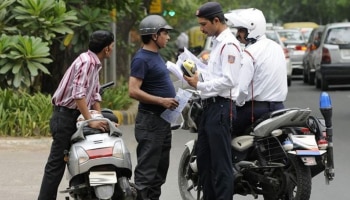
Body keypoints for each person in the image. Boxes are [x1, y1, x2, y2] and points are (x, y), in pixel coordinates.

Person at [37, 30, 115, 200]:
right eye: (112, 45)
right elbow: (78, 94)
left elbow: (94, 94)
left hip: (76, 116)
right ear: (107, 48)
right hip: (65, 117)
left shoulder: (94, 63)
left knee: (91, 156)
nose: (113, 48)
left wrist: (99, 118)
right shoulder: (86, 62)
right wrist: (91, 121)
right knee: (56, 165)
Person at [183, 2, 242, 200]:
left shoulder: (229, 45)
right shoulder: (217, 43)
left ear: (216, 20)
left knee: (221, 165)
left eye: (203, 24)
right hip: (209, 108)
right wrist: (197, 74)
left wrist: (199, 85)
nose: (201, 29)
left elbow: (229, 80)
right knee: (205, 163)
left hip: (222, 108)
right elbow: (214, 74)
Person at [128, 15, 179, 200]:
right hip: (150, 122)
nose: (168, 37)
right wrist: (161, 101)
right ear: (154, 35)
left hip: (162, 122)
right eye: (165, 33)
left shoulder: (156, 56)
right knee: (146, 175)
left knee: (159, 174)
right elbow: (133, 91)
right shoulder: (141, 59)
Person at [225, 8, 288, 137]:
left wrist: (236, 102)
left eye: (241, 30)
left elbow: (242, 89)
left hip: (255, 110)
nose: (238, 35)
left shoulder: (250, 52)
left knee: (223, 131)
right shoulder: (276, 47)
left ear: (252, 29)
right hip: (279, 108)